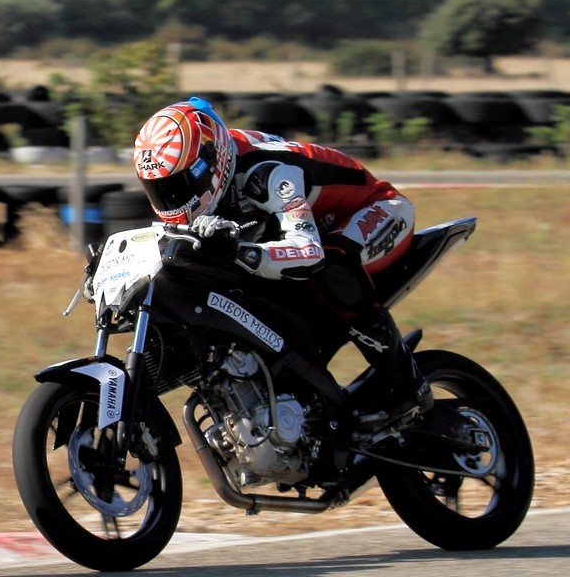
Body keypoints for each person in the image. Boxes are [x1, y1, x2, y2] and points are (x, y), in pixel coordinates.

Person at [132, 96, 433, 432]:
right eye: (159, 190)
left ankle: (405, 384)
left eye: (177, 186)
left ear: (209, 164)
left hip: (377, 210)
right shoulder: (205, 179)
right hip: (311, 226)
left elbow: (308, 251)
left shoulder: (269, 174)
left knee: (333, 263)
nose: (170, 200)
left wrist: (242, 252)